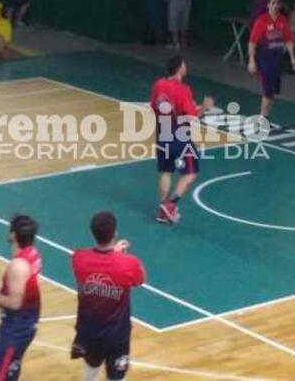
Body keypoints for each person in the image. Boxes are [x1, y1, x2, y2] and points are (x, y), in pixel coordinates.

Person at [71, 211, 146, 381]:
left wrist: (113, 252)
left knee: (90, 369)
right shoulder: (129, 263)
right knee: (117, 377)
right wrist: (119, 254)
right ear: (115, 233)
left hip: (88, 331)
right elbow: (140, 280)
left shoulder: (78, 258)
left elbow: (99, 260)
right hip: (117, 335)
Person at [150, 56, 214, 224]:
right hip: (180, 137)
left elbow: (154, 108)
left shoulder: (159, 85)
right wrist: (205, 108)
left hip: (162, 134)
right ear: (179, 68)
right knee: (191, 173)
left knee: (166, 172)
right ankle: (171, 205)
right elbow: (191, 119)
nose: (186, 66)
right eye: (184, 64)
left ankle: (162, 210)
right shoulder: (183, 89)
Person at [0, 215, 41, 381]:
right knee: (9, 369)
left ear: (13, 235)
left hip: (16, 328)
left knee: (0, 374)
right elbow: (20, 285)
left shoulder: (18, 265)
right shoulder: (32, 254)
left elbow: (15, 303)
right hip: (22, 324)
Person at [248, 0, 295, 119]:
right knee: (268, 90)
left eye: (277, 3)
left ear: (280, 6)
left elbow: (288, 40)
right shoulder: (262, 21)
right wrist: (251, 61)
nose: (275, 5)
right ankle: (263, 118)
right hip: (264, 59)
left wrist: (292, 57)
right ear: (268, 5)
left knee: (272, 93)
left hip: (277, 59)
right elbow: (252, 43)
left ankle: (265, 116)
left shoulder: (283, 21)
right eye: (273, 3)